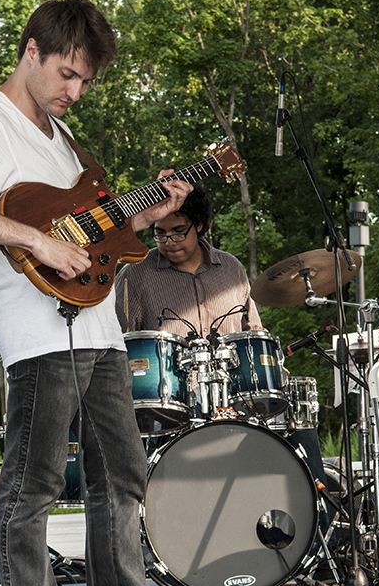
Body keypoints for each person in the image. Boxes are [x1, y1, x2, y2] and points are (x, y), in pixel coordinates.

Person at [0, 0, 192, 586]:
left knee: (122, 476)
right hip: (38, 337)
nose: (75, 91)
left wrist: (145, 212)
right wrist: (35, 238)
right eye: (67, 74)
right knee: (31, 486)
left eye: (86, 81)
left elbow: (96, 229)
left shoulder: (62, 141)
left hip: (97, 330)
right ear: (31, 52)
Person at [115, 186, 329, 504]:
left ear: (199, 225)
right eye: (160, 234)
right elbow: (122, 346)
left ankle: (316, 533)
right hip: (173, 407)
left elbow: (252, 330)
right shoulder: (136, 275)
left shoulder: (230, 268)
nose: (168, 242)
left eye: (178, 232)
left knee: (298, 419)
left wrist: (273, 366)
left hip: (234, 402)